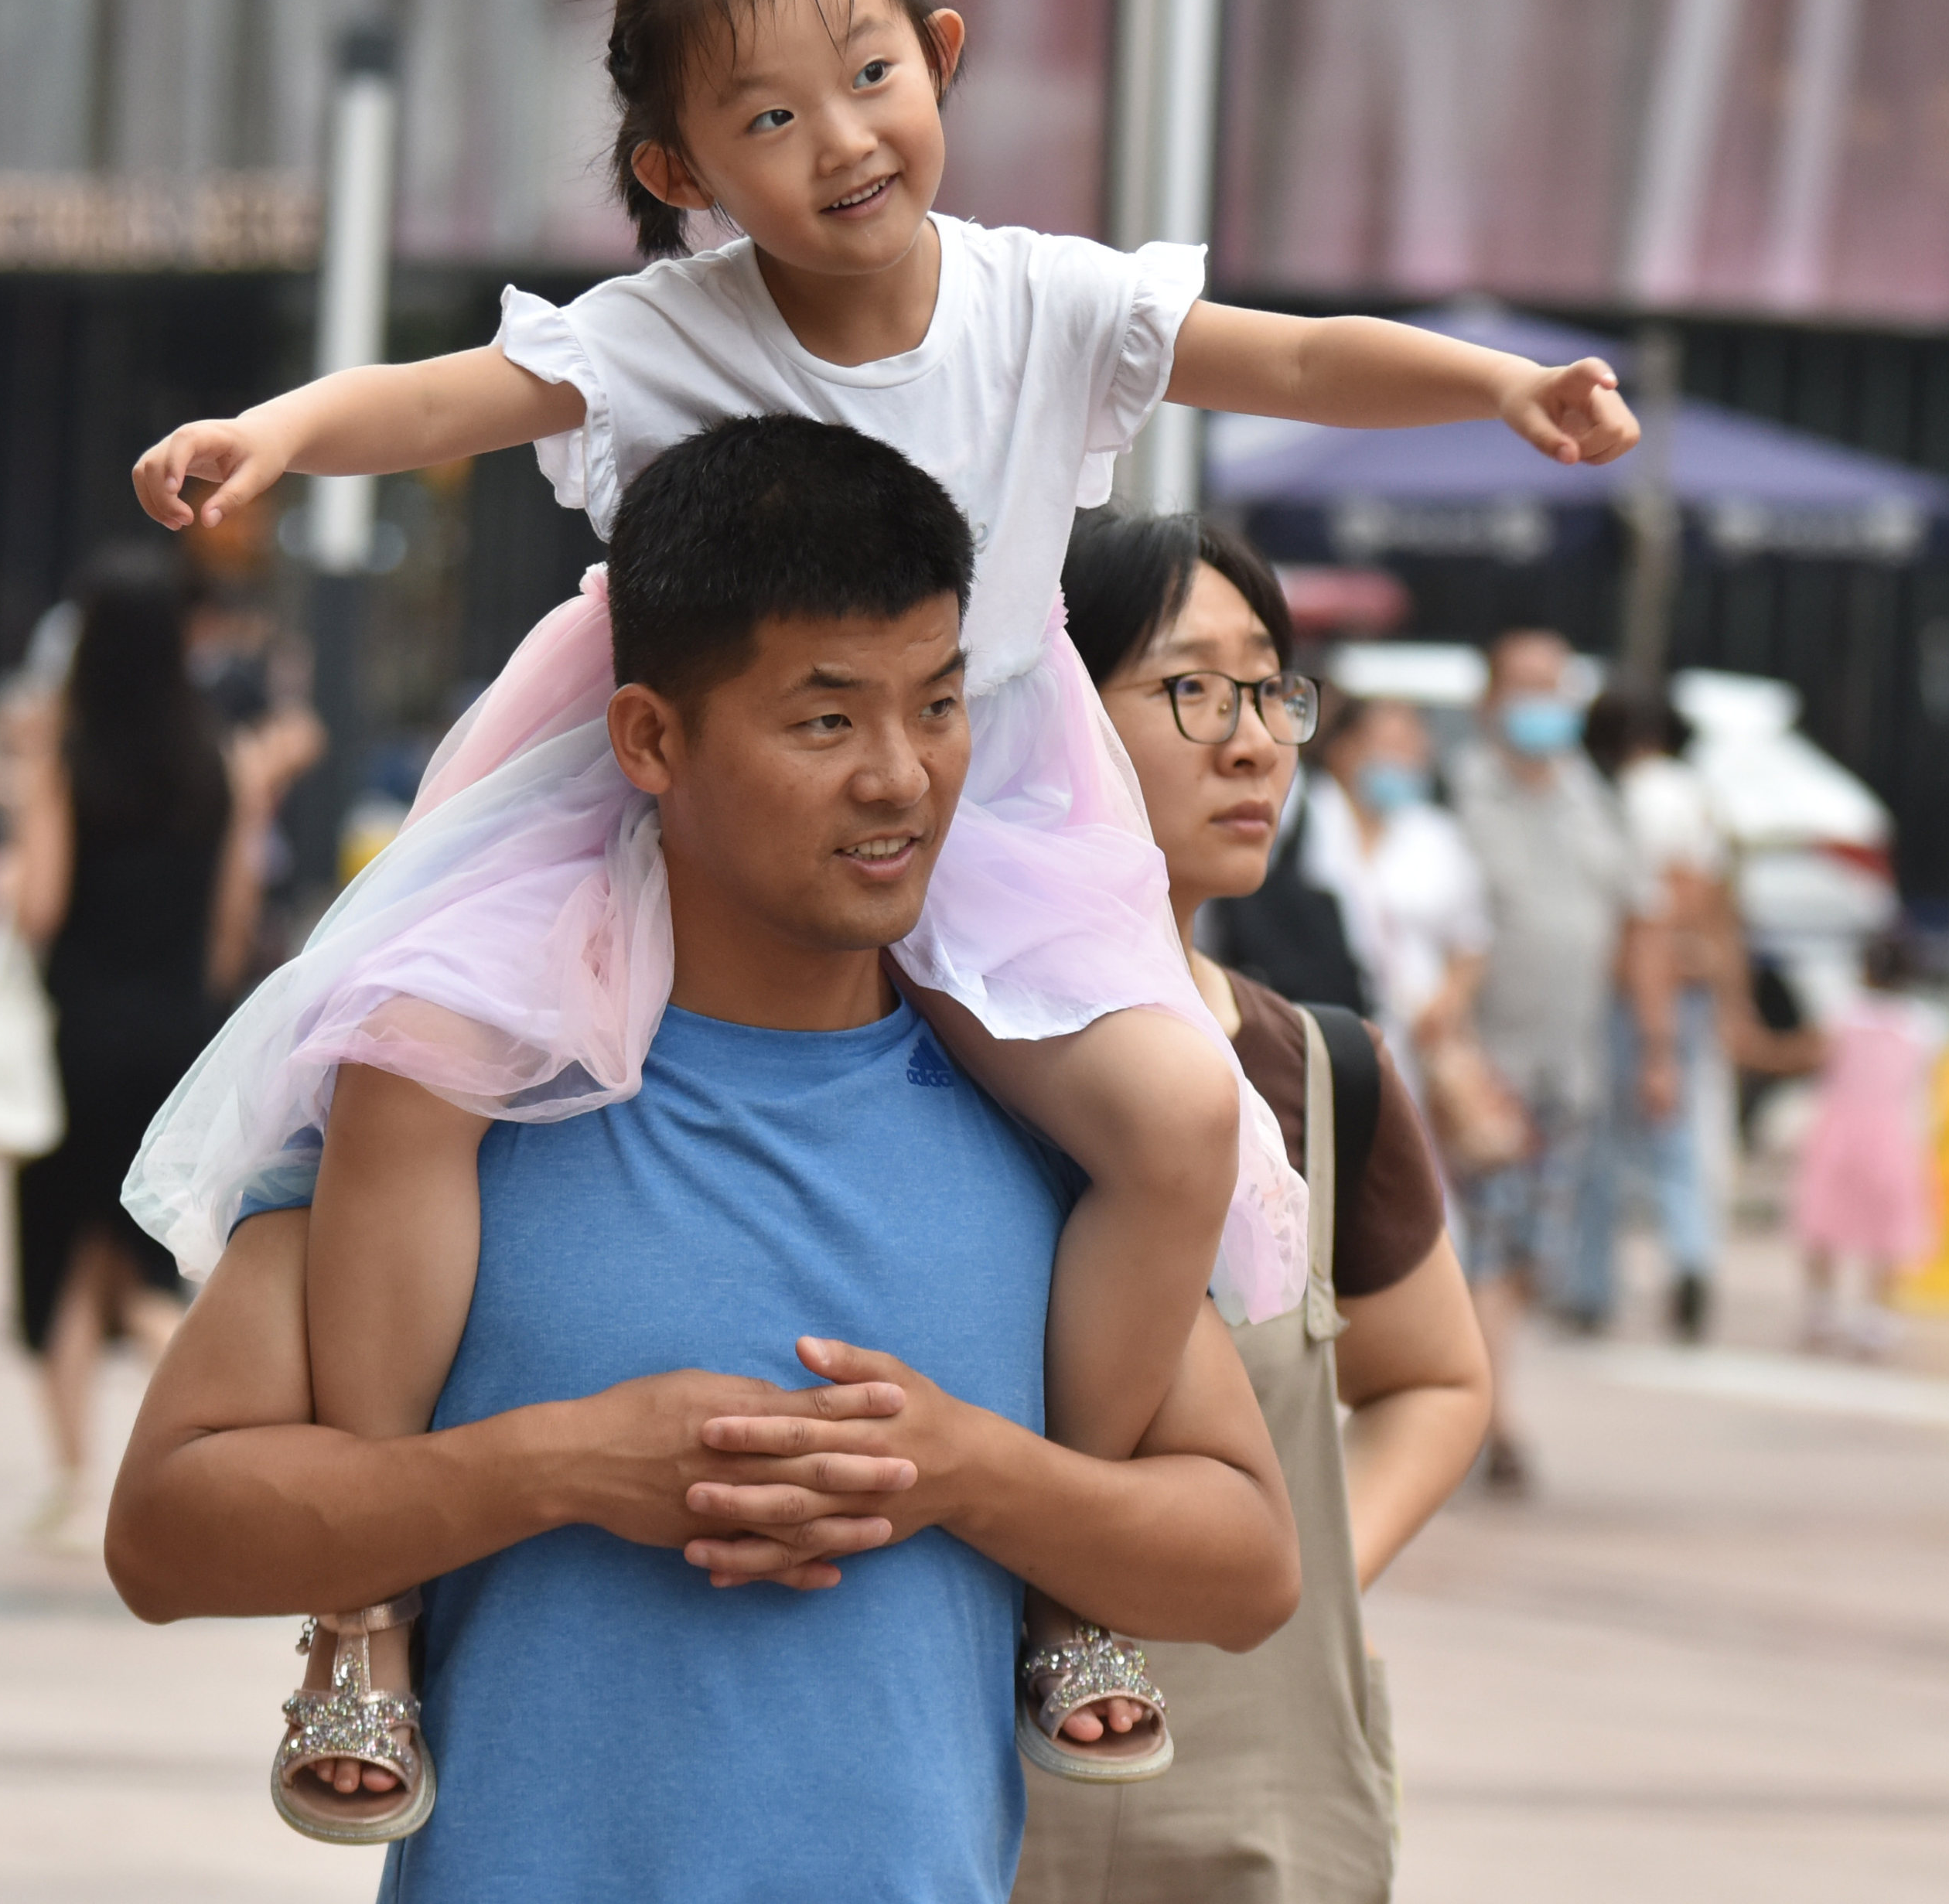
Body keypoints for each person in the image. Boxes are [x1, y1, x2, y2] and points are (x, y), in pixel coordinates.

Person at [120, 0, 1636, 1794]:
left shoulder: (1046, 299)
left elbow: (1301, 353)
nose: (837, 141)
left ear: (940, 57)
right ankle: (373, 1603)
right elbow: (440, 398)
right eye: (764, 116)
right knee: (412, 1061)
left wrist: (1503, 387)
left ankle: (1068, 1567)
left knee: (1176, 1121)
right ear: (678, 171)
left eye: (865, 78)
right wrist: (278, 433)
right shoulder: (666, 331)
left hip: (994, 807)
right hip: (655, 797)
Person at [101, 420, 1302, 1899]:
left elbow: (1250, 1563)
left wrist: (974, 1473)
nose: (900, 778)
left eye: (937, 705)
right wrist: (555, 1467)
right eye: (823, 721)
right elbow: (164, 1533)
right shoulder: (457, 1092)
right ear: (652, 738)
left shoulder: (1047, 1128)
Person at [1024, 513, 1493, 1903]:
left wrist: (1289, 1569)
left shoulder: (1319, 1065)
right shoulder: (926, 1049)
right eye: (1191, 687)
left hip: (1262, 1796)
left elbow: (1437, 1378)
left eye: (1275, 688)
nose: (1254, 742)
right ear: (1048, 710)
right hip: (969, 1794)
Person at [9, 554, 321, 1544]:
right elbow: (231, 922)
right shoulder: (215, 764)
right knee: (133, 1258)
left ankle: (72, 1475)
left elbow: (38, 907)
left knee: (62, 1263)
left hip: (80, 1039)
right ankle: (180, 1394)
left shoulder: (68, 759)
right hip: (177, 1033)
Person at [1443, 630, 1673, 1491]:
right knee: (1484, 1243)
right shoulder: (1457, 794)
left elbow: (1640, 924)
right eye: (1525, 687)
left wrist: (1655, 1050)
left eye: (1555, 688)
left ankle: (1481, 1406)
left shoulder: (1595, 799)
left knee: (1528, 1251)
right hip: (1475, 1069)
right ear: (1491, 699)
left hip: (1567, 1067)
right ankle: (1482, 1416)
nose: (1541, 706)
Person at [1582, 688, 1729, 1342]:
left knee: (1611, 1144)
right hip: (1688, 983)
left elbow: (1646, 916)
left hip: (1637, 989)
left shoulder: (1630, 801)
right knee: (1676, 1141)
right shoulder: (1697, 798)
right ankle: (1691, 1255)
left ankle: (1591, 1284)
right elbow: (1711, 902)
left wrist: (1652, 1025)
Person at [1296, 691, 1490, 1104]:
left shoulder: (1436, 836)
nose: (1405, 759)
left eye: (1412, 746)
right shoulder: (1303, 823)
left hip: (1417, 1041)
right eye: (1389, 745)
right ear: (1343, 749)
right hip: (1321, 1030)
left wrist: (1447, 1004)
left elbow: (1471, 941)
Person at [1793, 930, 1944, 1360]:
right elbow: (1929, 1083)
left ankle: (1822, 1305)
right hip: (1894, 1130)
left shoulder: (1843, 1014)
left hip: (1840, 1125)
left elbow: (1814, 1057)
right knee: (1887, 1227)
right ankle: (1878, 1312)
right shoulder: (1924, 1023)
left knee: (1824, 1217)